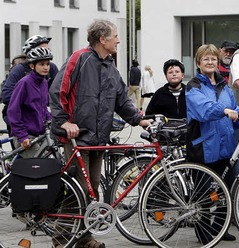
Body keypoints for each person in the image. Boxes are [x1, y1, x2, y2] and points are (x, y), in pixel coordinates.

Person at [49, 19, 151, 248]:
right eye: (115, 35)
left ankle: (84, 238)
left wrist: (138, 120)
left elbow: (122, 101)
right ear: (102, 39)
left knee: (92, 190)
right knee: (80, 189)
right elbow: (57, 92)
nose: (118, 40)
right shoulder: (79, 59)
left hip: (98, 138)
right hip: (77, 137)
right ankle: (61, 239)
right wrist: (64, 122)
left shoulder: (111, 67)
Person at [185, 44, 239, 243]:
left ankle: (219, 228)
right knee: (204, 193)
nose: (210, 62)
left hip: (225, 146)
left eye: (213, 59)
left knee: (226, 191)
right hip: (203, 147)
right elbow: (204, 109)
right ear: (198, 63)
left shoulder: (224, 85)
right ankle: (203, 233)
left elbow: (235, 107)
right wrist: (225, 111)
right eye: (206, 59)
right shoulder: (193, 86)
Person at [3, 35, 60, 133]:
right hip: (19, 120)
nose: (46, 67)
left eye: (48, 49)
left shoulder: (52, 68)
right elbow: (7, 97)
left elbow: (56, 94)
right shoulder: (20, 70)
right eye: (42, 49)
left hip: (39, 119)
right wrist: (32, 97)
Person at [7, 47, 53, 158]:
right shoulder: (24, 83)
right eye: (41, 64)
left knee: (53, 161)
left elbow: (43, 108)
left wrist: (53, 120)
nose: (46, 67)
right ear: (32, 66)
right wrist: (22, 136)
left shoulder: (44, 83)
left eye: (47, 64)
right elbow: (13, 111)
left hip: (40, 135)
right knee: (44, 164)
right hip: (25, 135)